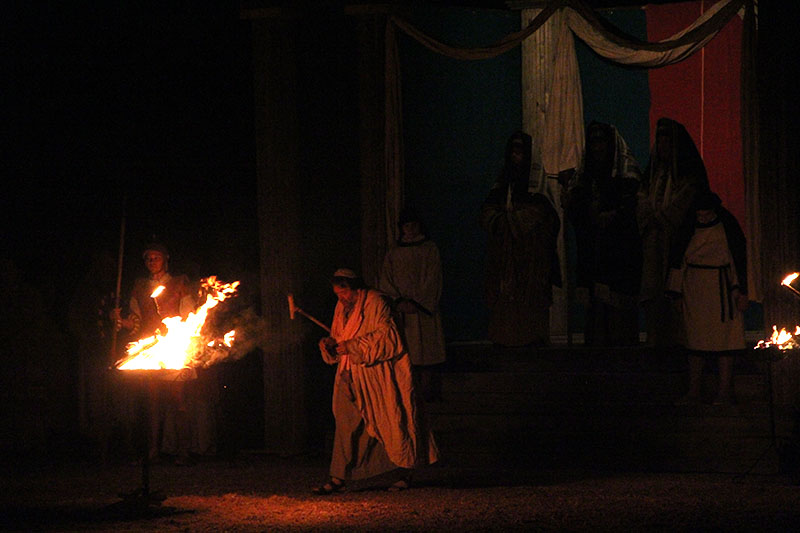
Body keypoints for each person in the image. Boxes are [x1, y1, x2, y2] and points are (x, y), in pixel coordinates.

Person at [313, 269, 438, 494]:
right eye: (337, 294)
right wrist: (331, 343)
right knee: (345, 423)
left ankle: (403, 472)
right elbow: (339, 335)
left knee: (389, 420)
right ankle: (339, 477)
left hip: (377, 375)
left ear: (356, 288)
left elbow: (389, 338)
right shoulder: (342, 306)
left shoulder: (377, 302)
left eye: (344, 293)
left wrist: (353, 346)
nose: (341, 298)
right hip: (348, 372)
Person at [111, 242, 198, 463]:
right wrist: (123, 322)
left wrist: (176, 333)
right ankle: (152, 451)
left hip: (174, 346)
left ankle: (183, 451)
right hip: (150, 349)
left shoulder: (179, 283)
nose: (152, 262)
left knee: (178, 400)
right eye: (148, 258)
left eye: (156, 257)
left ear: (166, 259)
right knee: (152, 402)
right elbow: (136, 321)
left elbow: (189, 316)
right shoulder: (140, 286)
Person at [563, 122, 642, 346]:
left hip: (619, 261)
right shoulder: (584, 180)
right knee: (595, 323)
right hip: (592, 260)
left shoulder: (627, 181)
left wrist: (613, 215)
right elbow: (576, 214)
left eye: (602, 142)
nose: (597, 148)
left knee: (619, 324)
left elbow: (633, 212)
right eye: (594, 142)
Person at [480, 131, 561, 347]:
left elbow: (545, 216)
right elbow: (487, 213)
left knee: (530, 311)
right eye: (513, 150)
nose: (517, 155)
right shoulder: (502, 183)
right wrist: (504, 221)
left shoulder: (537, 187)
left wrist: (514, 221)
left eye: (521, 151)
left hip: (531, 262)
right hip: (505, 262)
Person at [668, 191, 748, 405]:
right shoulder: (687, 231)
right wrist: (676, 293)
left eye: (707, 216)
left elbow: (737, 260)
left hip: (723, 290)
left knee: (726, 341)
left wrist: (740, 291)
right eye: (700, 216)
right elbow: (677, 262)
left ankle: (724, 392)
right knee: (695, 341)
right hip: (696, 291)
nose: (703, 220)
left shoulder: (727, 228)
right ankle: (693, 391)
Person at [637, 118, 709, 348]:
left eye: (667, 138)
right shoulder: (652, 175)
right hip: (653, 245)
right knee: (653, 295)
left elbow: (684, 205)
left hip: (678, 246)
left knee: (677, 297)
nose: (662, 143)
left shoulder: (687, 175)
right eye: (659, 138)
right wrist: (651, 217)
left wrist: (661, 217)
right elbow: (642, 200)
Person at [379, 208, 447, 402]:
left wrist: (418, 302)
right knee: (407, 351)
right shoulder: (394, 253)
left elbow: (433, 278)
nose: (410, 229)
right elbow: (386, 280)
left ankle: (427, 392)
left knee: (426, 352)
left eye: (413, 225)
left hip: (422, 309)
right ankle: (408, 392)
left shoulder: (429, 249)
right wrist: (398, 301)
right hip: (403, 310)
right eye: (406, 226)